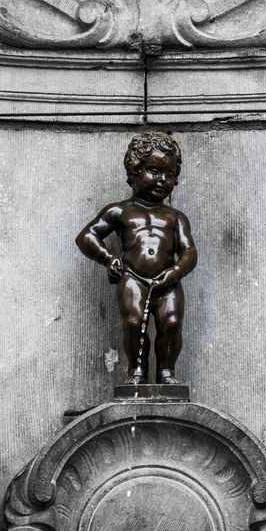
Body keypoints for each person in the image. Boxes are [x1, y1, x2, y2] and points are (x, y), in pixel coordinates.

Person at [76, 131, 197, 385]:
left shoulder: (176, 217)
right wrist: (109, 259)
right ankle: (136, 371)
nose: (162, 179)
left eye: (170, 174)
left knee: (172, 322)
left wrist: (175, 272)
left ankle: (166, 372)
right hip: (133, 277)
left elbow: (189, 252)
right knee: (133, 322)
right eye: (154, 171)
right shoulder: (120, 211)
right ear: (134, 171)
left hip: (169, 281)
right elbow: (86, 237)